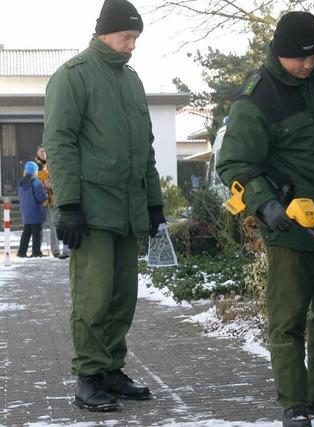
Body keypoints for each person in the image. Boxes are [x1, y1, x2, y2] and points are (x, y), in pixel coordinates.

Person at [216, 11, 314, 427]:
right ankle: (294, 401)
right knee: (288, 318)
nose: (306, 65)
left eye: (312, 55)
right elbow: (234, 162)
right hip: (290, 226)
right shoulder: (259, 97)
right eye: (297, 58)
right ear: (278, 52)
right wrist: (263, 204)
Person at [44, 0, 165, 412]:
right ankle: (89, 377)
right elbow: (59, 144)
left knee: (121, 297)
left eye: (135, 39)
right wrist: (70, 205)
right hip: (92, 210)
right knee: (93, 299)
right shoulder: (73, 77)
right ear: (103, 32)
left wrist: (154, 204)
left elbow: (144, 147)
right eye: (127, 37)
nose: (132, 46)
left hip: (128, 209)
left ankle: (112, 370)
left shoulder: (131, 80)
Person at [35, 145, 69, 259]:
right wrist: (45, 184)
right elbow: (40, 182)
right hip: (46, 200)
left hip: (58, 198)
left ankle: (66, 249)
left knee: (63, 224)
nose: (43, 153)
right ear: (37, 153)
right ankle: (55, 250)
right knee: (52, 226)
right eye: (41, 151)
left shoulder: (52, 164)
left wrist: (52, 184)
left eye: (45, 151)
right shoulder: (36, 166)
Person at [17, 161, 48, 258]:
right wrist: (46, 194)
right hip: (36, 211)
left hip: (26, 212)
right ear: (35, 171)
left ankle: (22, 252)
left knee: (26, 233)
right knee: (37, 233)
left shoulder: (21, 183)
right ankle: (36, 252)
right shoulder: (36, 182)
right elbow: (40, 198)